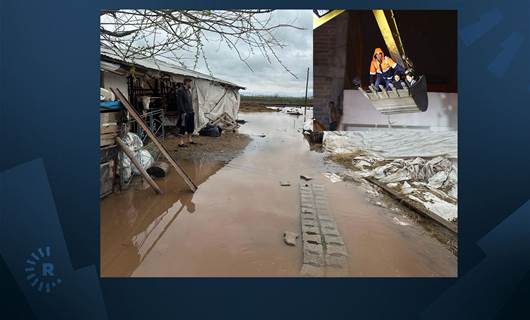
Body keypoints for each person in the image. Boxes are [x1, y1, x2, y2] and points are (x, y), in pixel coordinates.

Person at [175, 78, 196, 147]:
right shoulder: (180, 90)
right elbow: (179, 102)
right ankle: (181, 142)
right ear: (186, 82)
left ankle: (189, 140)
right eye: (190, 82)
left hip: (190, 111)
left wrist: (192, 110)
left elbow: (189, 102)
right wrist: (183, 112)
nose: (191, 84)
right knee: (183, 127)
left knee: (191, 126)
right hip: (184, 112)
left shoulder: (188, 91)